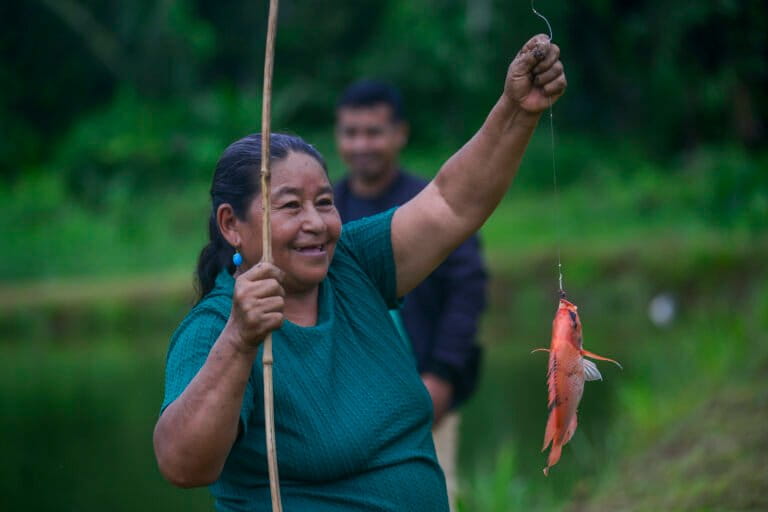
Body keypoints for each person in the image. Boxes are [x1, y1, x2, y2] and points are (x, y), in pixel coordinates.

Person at [153, 34, 566, 512]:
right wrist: (239, 340)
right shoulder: (214, 327)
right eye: (290, 206)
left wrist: (516, 110)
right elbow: (182, 465)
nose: (315, 222)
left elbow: (451, 203)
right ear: (231, 225)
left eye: (324, 202)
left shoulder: (351, 262)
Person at [332, 79, 487, 508]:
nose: (361, 144)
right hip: (345, 407)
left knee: (433, 498)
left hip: (426, 392)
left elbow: (468, 289)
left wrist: (441, 376)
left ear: (400, 133)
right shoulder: (325, 211)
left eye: (373, 132)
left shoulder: (432, 203)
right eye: (351, 132)